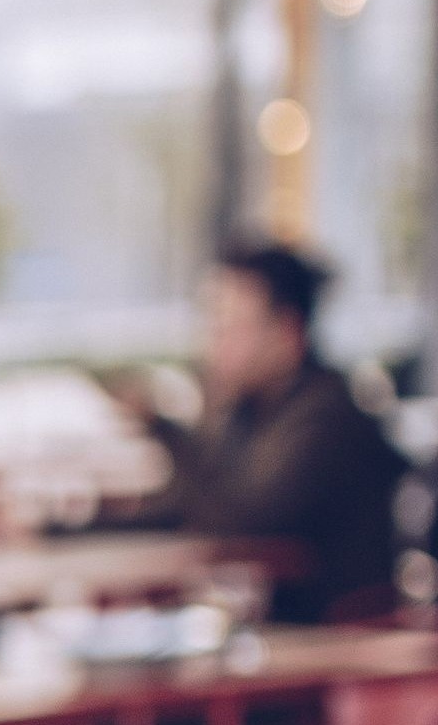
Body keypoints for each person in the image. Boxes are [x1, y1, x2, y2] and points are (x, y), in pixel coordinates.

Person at [107, 240, 407, 623]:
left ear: (287, 331)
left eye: (232, 328)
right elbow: (185, 506)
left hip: (338, 645)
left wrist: (163, 428)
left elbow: (243, 524)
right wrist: (52, 531)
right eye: (213, 326)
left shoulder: (325, 417)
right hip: (273, 635)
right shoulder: (250, 410)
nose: (215, 344)